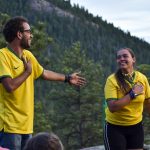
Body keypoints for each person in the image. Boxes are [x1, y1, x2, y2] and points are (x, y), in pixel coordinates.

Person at [0, 16, 85, 150]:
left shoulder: (28, 56)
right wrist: (27, 72)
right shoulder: (2, 56)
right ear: (19, 34)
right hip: (9, 126)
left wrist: (68, 78)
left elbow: (44, 73)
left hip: (26, 126)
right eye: (28, 31)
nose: (31, 35)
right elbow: (9, 86)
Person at [103, 47, 150, 150]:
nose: (122, 59)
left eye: (125, 56)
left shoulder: (142, 78)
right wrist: (132, 94)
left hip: (136, 127)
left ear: (133, 59)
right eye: (119, 57)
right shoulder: (112, 80)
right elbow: (112, 107)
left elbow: (147, 103)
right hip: (115, 128)